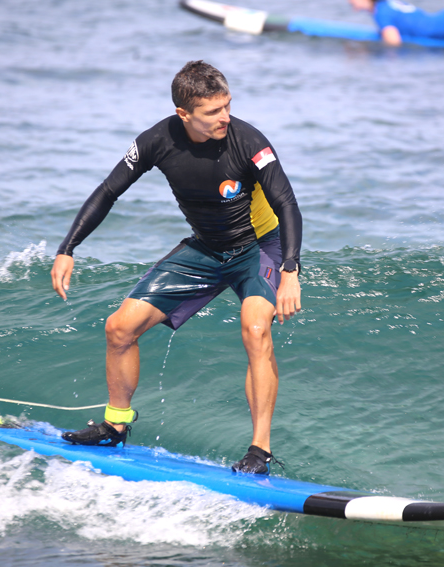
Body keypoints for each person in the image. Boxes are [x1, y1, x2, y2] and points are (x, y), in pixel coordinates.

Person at [50, 61, 302, 475]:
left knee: (256, 327)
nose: (225, 117)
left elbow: (286, 202)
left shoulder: (248, 140)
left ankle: (259, 451)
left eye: (228, 106)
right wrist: (68, 247)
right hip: (206, 249)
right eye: (213, 112)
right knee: (119, 327)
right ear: (184, 114)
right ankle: (116, 425)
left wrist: (290, 269)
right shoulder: (157, 140)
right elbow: (109, 190)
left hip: (260, 247)